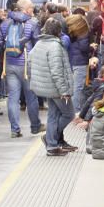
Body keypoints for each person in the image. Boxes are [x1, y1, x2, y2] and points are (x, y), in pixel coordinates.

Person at [0, 0, 42, 139]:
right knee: (31, 97)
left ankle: (15, 130)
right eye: (32, 9)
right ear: (27, 9)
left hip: (9, 64)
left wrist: (4, 54)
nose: (33, 12)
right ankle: (35, 126)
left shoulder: (5, 23)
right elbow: (38, 44)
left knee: (13, 98)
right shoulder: (33, 23)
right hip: (27, 65)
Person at [28, 18, 76, 156]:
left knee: (53, 115)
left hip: (47, 88)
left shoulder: (39, 43)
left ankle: (52, 146)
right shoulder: (55, 46)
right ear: (59, 31)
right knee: (69, 114)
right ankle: (50, 139)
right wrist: (64, 91)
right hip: (56, 89)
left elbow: (30, 61)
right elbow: (57, 72)